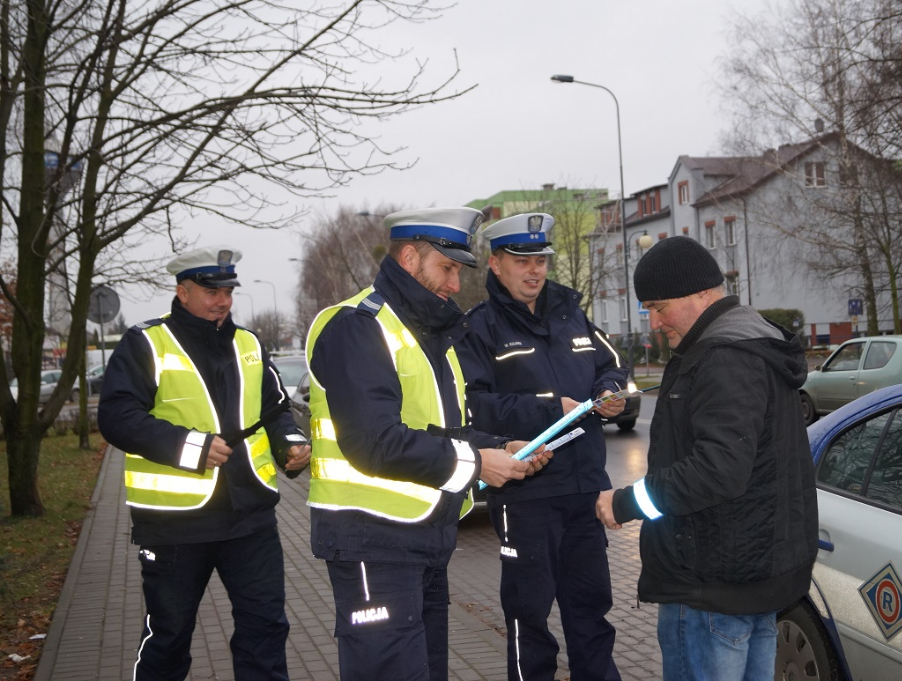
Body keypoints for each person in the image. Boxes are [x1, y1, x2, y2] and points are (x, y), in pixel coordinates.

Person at [304, 207, 551, 681]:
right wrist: (479, 463)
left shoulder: (425, 334)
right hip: (371, 542)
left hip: (420, 540)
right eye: (448, 268)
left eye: (459, 271)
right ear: (410, 257)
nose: (455, 285)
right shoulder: (358, 327)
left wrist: (505, 445)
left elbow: (438, 430)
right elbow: (373, 443)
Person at [594, 236, 818, 681]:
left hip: (711, 581)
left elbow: (716, 472)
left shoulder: (722, 356)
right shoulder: (753, 343)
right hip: (754, 577)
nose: (656, 322)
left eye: (660, 306)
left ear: (701, 292)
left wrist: (625, 502)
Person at [98, 246, 311, 681]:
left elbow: (274, 410)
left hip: (250, 518)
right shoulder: (145, 343)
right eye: (211, 291)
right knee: (169, 636)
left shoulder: (248, 343)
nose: (223, 301)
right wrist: (188, 446)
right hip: (176, 524)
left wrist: (290, 442)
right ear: (182, 291)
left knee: (266, 630)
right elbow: (117, 417)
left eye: (228, 291)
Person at [456, 212, 628, 681]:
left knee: (592, 612)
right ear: (495, 264)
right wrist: (549, 408)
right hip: (527, 493)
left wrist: (610, 391)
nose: (534, 270)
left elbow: (612, 365)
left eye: (541, 260)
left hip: (585, 487)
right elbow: (470, 404)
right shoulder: (479, 327)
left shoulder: (571, 313)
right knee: (529, 619)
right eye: (521, 260)